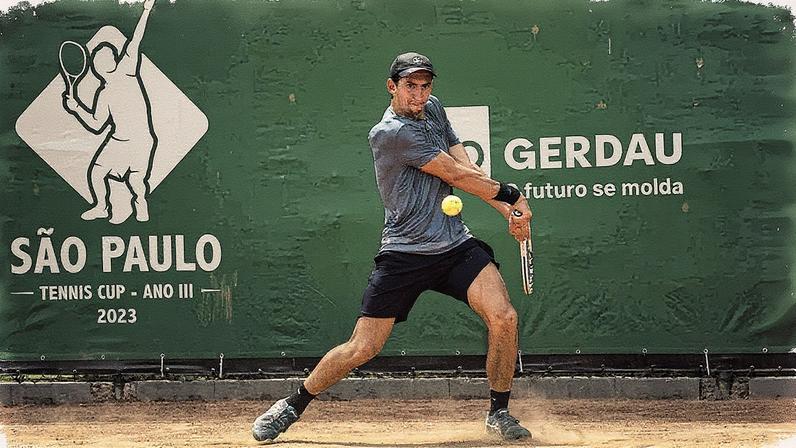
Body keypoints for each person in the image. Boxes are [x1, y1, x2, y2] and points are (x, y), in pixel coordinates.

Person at [252, 52, 533, 442]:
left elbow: (464, 164)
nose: (419, 94)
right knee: (362, 347)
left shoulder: (432, 109)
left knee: (504, 318)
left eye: (425, 85)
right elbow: (453, 175)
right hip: (404, 253)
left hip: (454, 245)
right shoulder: (390, 133)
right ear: (392, 87)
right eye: (410, 86)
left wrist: (507, 211)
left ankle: (498, 413)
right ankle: (292, 404)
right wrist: (513, 195)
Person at [62, 0, 157, 224]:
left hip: (141, 141)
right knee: (96, 172)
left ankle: (140, 203)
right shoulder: (102, 94)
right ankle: (102, 207)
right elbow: (96, 125)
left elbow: (136, 39)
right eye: (97, 59)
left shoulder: (127, 69)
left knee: (136, 183)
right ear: (94, 68)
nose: (101, 59)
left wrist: (145, 10)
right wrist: (76, 108)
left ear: (114, 60)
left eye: (106, 55)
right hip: (118, 141)